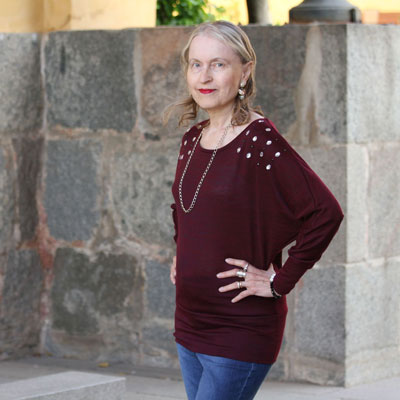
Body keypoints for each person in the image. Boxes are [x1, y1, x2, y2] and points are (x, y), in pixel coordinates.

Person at [166, 20, 344, 400]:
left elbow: (325, 212)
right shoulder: (192, 139)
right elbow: (184, 207)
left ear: (245, 71)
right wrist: (182, 253)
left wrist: (279, 281)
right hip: (190, 323)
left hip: (239, 328)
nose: (204, 76)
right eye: (196, 64)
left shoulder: (259, 141)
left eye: (218, 64)